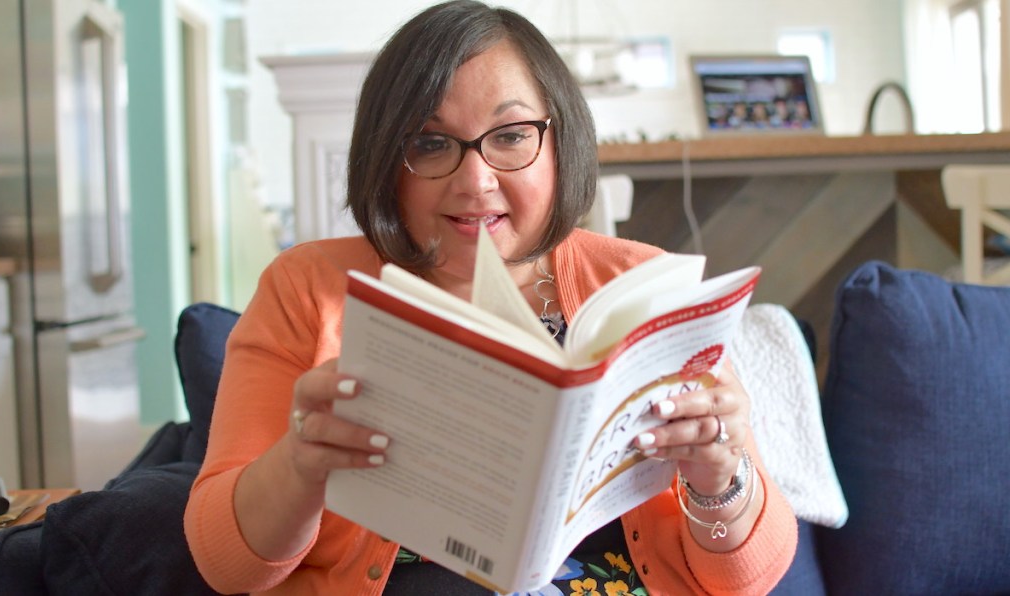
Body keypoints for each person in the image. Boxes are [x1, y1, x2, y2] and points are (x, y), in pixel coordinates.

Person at [184, 1, 798, 594]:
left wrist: (722, 475)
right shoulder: (306, 288)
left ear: (559, 145)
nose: (475, 180)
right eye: (429, 143)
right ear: (386, 160)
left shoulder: (643, 286)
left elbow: (746, 579)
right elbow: (224, 566)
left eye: (509, 136)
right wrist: (300, 464)